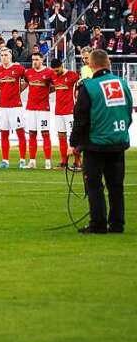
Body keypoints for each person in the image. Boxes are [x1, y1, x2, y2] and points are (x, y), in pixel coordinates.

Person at [71, 49, 130, 233]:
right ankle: (117, 223)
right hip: (118, 141)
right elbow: (128, 112)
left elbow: (81, 118)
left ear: (91, 65)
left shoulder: (88, 86)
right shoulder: (122, 83)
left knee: (94, 185)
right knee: (116, 186)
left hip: (96, 144)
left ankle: (98, 223)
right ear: (109, 63)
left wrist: (75, 143)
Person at [0, 47, 29, 169]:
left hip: (16, 107)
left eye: (6, 55)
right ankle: (5, 161)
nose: (4, 57)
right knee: (4, 133)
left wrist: (18, 91)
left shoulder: (19, 69)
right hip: (3, 107)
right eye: (2, 55)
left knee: (20, 133)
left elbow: (28, 81)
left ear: (11, 56)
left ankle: (23, 160)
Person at [23, 52, 56, 169]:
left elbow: (56, 85)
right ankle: (32, 161)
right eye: (33, 60)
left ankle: (47, 161)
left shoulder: (49, 72)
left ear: (42, 60)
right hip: (30, 108)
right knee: (32, 134)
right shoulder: (28, 72)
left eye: (37, 59)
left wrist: (47, 92)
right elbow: (24, 85)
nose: (34, 62)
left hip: (43, 108)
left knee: (45, 133)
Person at [50, 58, 80, 168]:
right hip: (58, 111)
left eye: (57, 70)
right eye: (54, 70)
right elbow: (53, 88)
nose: (55, 72)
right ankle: (64, 161)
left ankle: (77, 162)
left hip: (70, 111)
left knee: (74, 137)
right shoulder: (53, 76)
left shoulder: (73, 75)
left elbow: (81, 87)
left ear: (62, 66)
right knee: (61, 135)